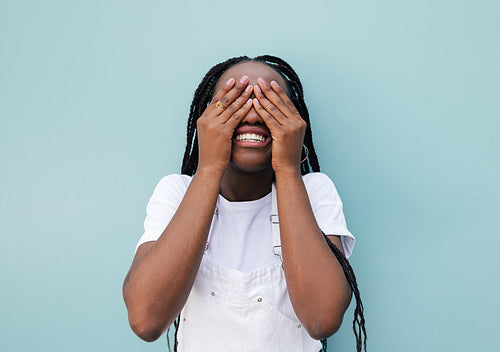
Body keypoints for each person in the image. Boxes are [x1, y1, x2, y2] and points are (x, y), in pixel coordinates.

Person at [123, 55, 366, 352]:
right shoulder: (176, 192)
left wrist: (288, 169)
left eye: (269, 104)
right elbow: (146, 320)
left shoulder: (315, 192)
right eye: (235, 102)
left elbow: (322, 320)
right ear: (205, 119)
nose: (252, 116)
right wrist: (209, 166)